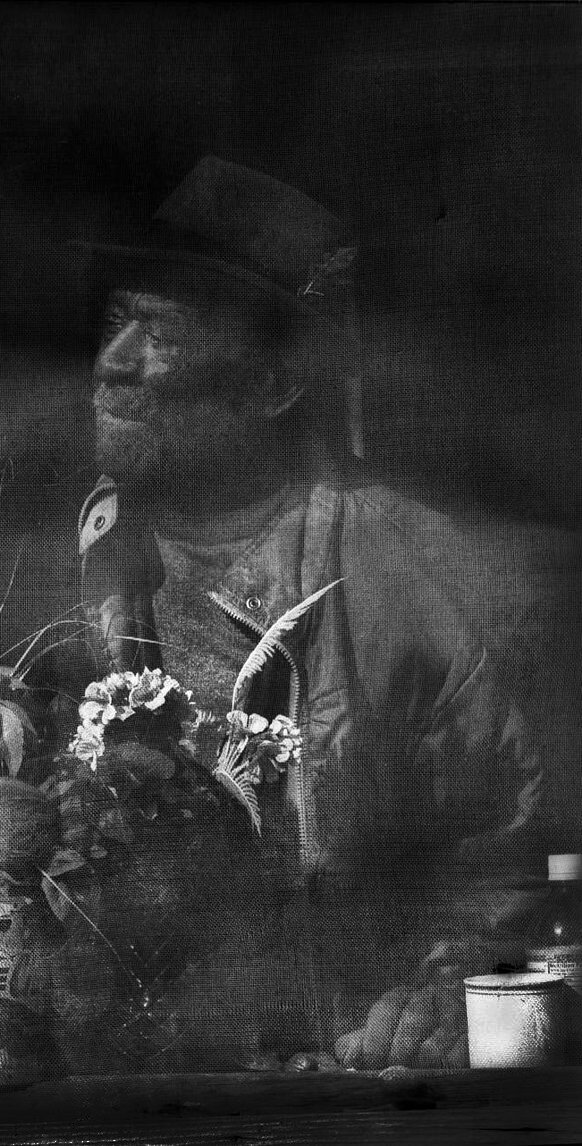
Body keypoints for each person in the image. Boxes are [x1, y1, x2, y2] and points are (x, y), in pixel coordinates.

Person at [74, 156, 573, 1069]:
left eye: (164, 331)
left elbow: (519, 861)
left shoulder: (423, 579)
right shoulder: (24, 569)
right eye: (116, 321)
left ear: (274, 386)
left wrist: (461, 985)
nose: (114, 363)